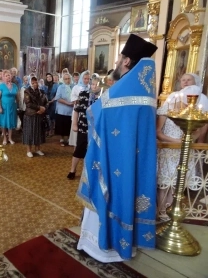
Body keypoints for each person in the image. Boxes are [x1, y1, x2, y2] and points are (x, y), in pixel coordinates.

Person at [76, 34, 158, 262]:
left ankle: (101, 247)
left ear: (127, 61)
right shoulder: (145, 90)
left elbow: (96, 112)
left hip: (113, 157)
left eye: (119, 57)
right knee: (128, 191)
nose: (115, 62)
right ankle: (126, 243)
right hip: (133, 159)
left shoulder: (123, 89)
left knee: (109, 192)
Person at [156, 73, 208, 220]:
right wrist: (175, 141)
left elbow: (201, 130)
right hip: (168, 150)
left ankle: (173, 216)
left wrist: (191, 140)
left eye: (189, 80)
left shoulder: (200, 105)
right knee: (165, 184)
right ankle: (163, 214)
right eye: (183, 80)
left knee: (180, 184)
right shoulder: (170, 103)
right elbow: (158, 132)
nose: (185, 82)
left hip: (186, 152)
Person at [67, 77, 101, 180]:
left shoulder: (102, 97)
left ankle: (92, 172)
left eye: (96, 84)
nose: (94, 86)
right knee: (80, 147)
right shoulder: (83, 94)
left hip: (97, 127)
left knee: (94, 149)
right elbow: (77, 110)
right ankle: (72, 169)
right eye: (92, 84)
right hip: (83, 126)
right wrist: (74, 124)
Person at [22, 77, 48, 157]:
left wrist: (44, 109)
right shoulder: (27, 91)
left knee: (38, 133)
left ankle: (38, 149)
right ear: (30, 83)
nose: (35, 84)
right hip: (30, 115)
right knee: (29, 133)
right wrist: (39, 108)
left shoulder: (42, 92)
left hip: (39, 115)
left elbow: (47, 102)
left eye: (36, 82)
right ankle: (29, 150)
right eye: (33, 83)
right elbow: (28, 104)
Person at [0, 70, 19, 145]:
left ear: (11, 76)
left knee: (11, 122)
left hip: (12, 107)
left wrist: (18, 105)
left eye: (9, 75)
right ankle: (5, 138)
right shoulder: (1, 86)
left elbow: (17, 97)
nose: (8, 77)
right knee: (4, 122)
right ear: (3, 77)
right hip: (4, 107)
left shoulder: (15, 86)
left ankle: (10, 138)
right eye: (6, 76)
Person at [69, 71, 90, 146]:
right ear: (81, 78)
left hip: (87, 113)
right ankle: (76, 148)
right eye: (85, 78)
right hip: (77, 113)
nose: (86, 80)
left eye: (88, 79)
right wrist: (82, 99)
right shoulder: (76, 87)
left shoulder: (90, 87)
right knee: (77, 136)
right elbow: (73, 99)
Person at [54, 73, 74, 146]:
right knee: (62, 125)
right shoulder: (60, 87)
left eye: (69, 78)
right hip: (62, 109)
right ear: (63, 79)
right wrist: (67, 103)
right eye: (66, 79)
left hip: (71, 110)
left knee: (69, 124)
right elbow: (58, 98)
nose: (67, 80)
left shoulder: (73, 86)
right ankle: (62, 138)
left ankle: (68, 138)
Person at [45, 73, 58, 137]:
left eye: (50, 76)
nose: (49, 78)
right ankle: (47, 129)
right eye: (47, 77)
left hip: (53, 102)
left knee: (52, 117)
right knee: (47, 117)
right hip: (46, 103)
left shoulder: (56, 85)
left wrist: (51, 101)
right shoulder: (44, 85)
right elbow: (43, 94)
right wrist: (47, 101)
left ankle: (51, 130)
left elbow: (57, 95)